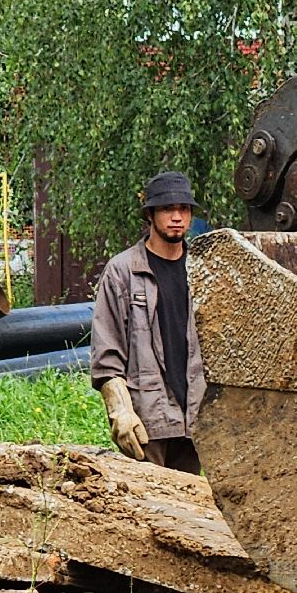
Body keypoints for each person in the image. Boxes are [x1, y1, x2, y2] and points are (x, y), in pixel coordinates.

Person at [90, 171, 206, 474]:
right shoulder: (123, 271)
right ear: (151, 215)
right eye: (168, 209)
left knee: (191, 515)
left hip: (196, 421)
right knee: (148, 513)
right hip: (147, 424)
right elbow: (107, 353)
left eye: (184, 209)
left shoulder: (204, 271)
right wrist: (120, 411)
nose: (177, 217)